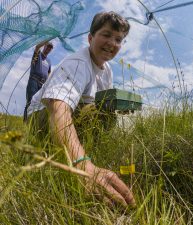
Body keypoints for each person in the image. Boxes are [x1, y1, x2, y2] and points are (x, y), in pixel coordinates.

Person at [27, 11, 135, 207]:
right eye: (106, 34)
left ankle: (78, 150)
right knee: (93, 113)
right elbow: (57, 107)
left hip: (72, 115)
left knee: (106, 112)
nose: (112, 43)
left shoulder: (107, 70)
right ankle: (61, 154)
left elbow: (103, 107)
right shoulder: (77, 63)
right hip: (39, 118)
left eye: (118, 39)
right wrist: (81, 164)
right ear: (90, 37)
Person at [23, 41, 53, 121]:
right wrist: (47, 40)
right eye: (48, 46)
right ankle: (26, 123)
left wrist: (48, 81)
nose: (49, 48)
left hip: (42, 84)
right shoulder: (38, 54)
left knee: (38, 105)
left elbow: (49, 72)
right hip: (34, 80)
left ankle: (33, 124)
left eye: (50, 47)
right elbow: (37, 47)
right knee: (30, 102)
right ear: (44, 46)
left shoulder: (49, 61)